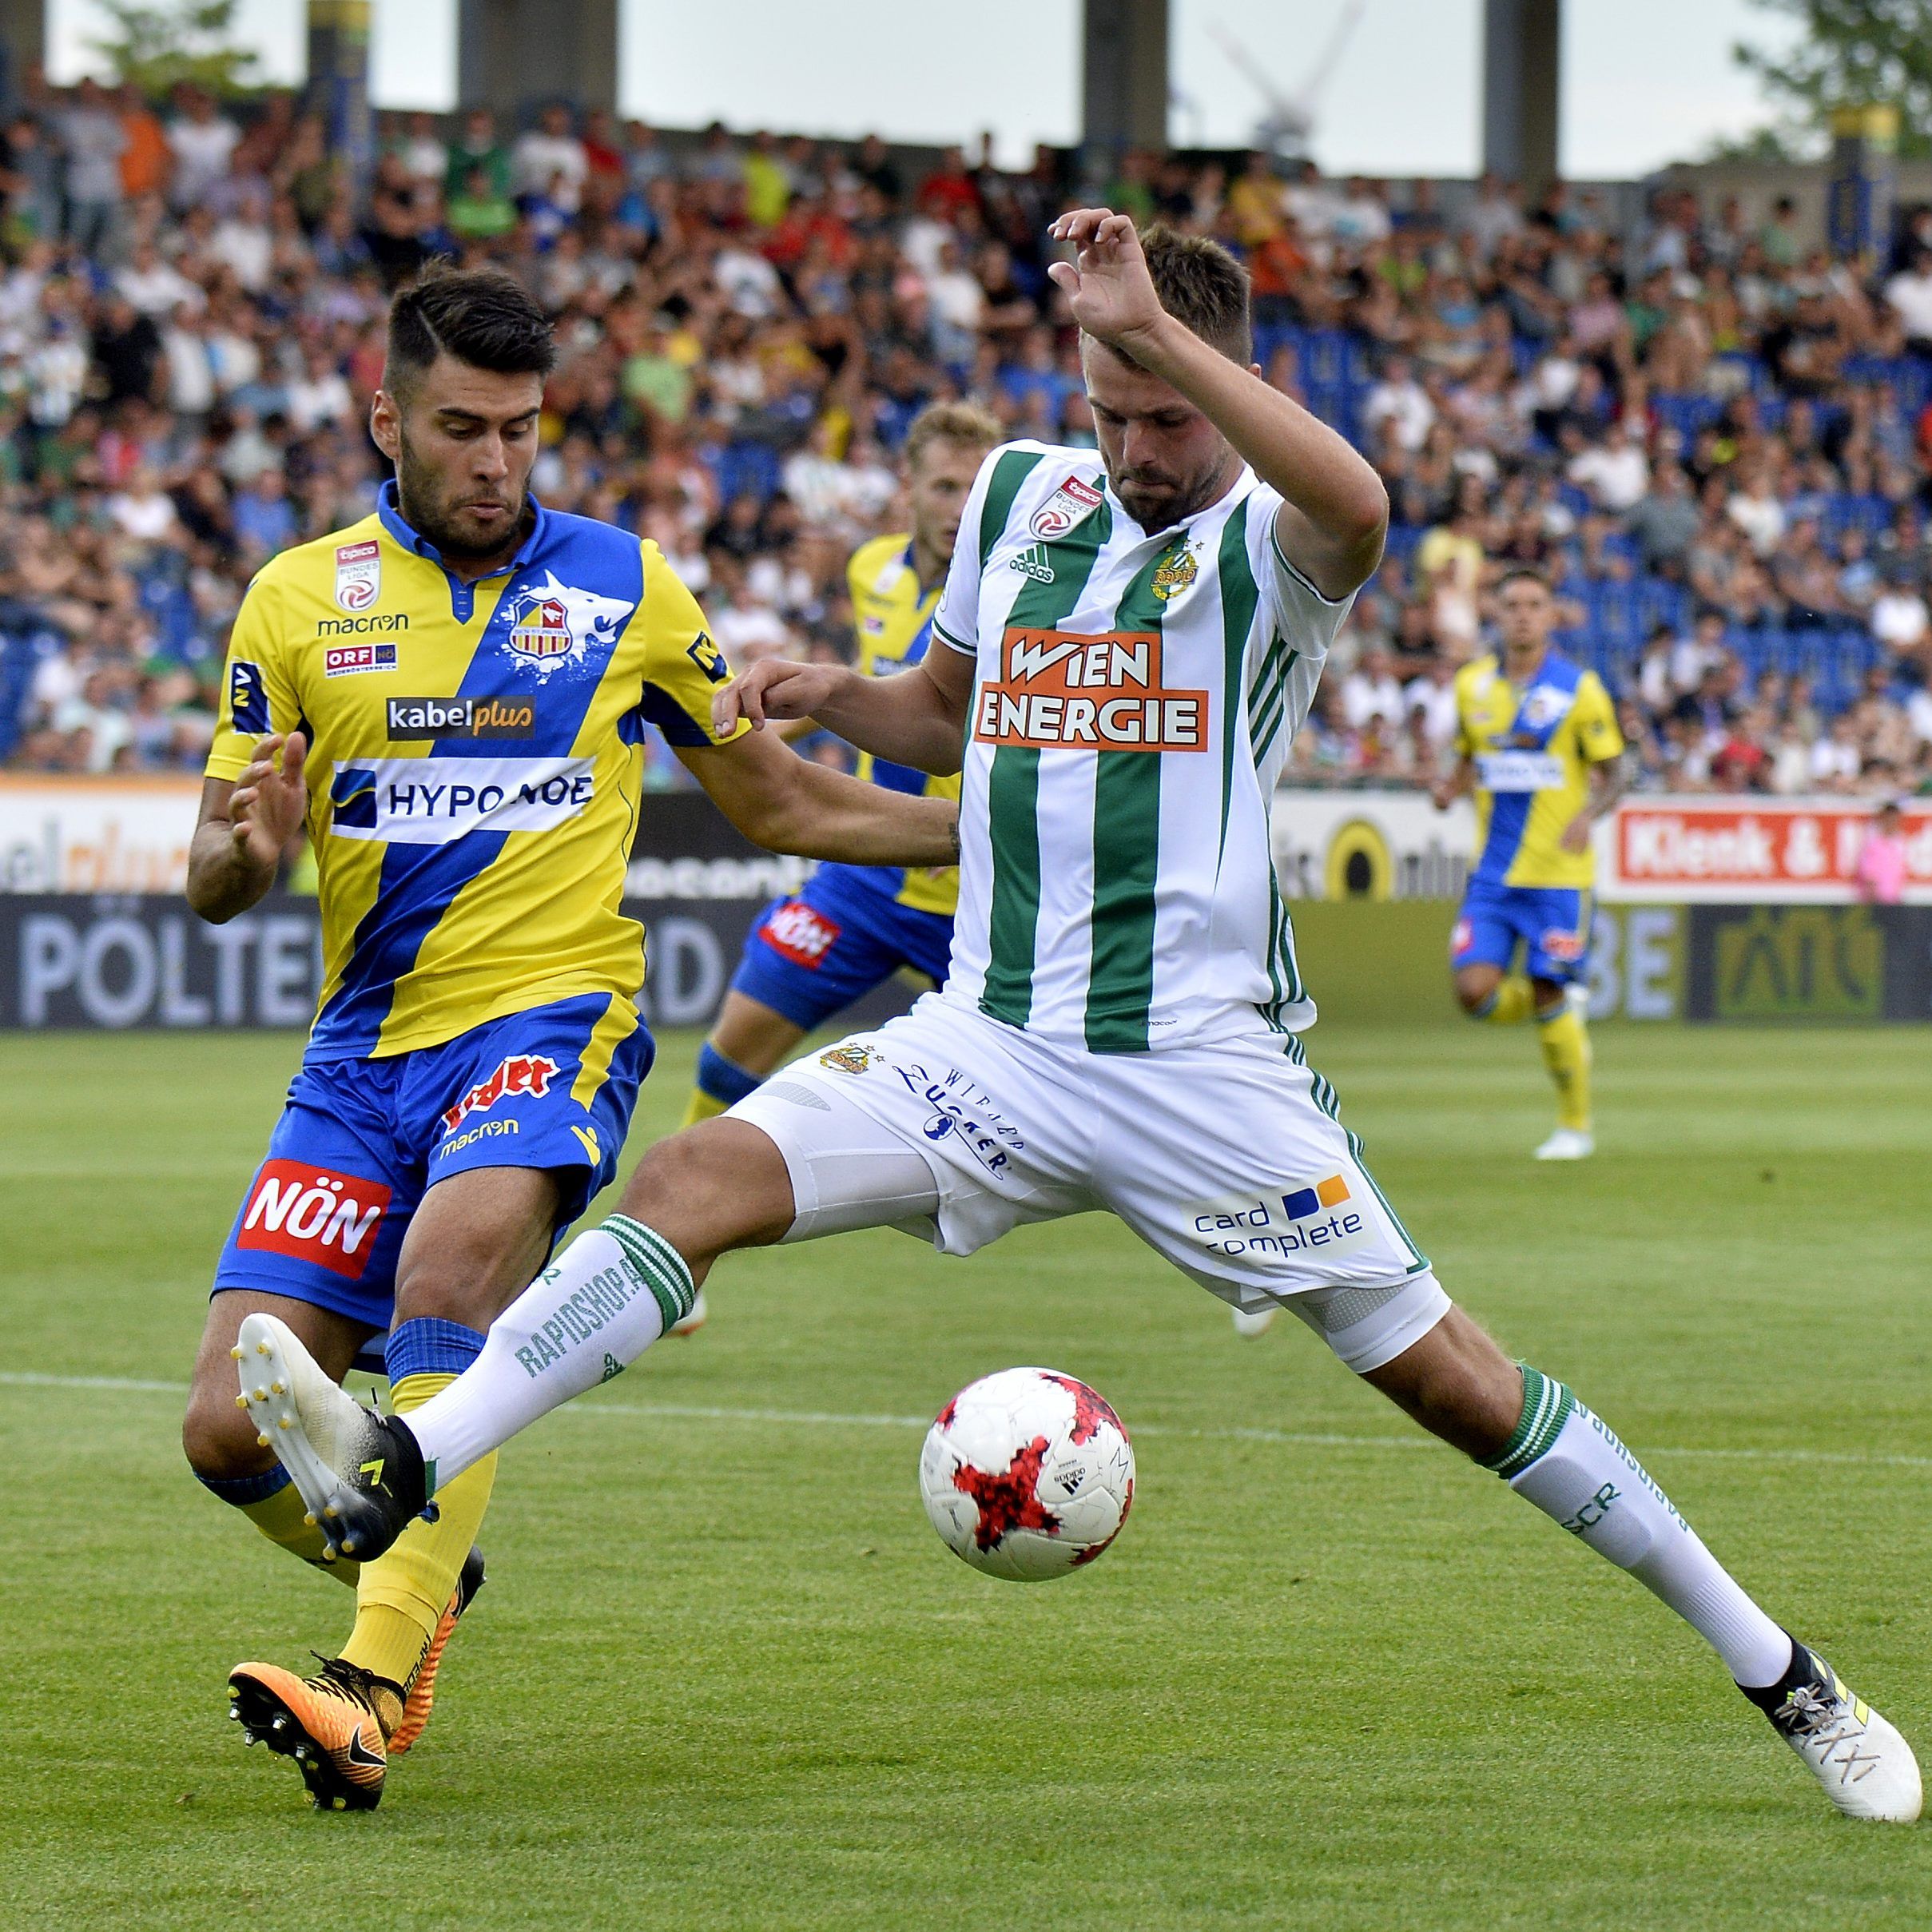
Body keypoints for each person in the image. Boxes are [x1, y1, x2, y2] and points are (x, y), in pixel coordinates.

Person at [233, 218, 1918, 1825]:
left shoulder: (1269, 548)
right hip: (991, 1042)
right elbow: (950, 712)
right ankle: (402, 1462)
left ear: (1218, 384)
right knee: (688, 1184)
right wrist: (835, 693)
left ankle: (1788, 1677)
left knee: (1467, 1391)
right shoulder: (1024, 498)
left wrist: (1158, 334)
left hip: (1204, 1076)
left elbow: (1363, 499)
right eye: (1112, 413)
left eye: (1170, 415)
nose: (1140, 450)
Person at [181, 263, 957, 1811]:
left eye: (521, 432)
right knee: (220, 1433)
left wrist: (1003, 833)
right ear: (384, 417)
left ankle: (371, 1680)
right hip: (361, 1058)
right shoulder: (290, 604)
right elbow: (216, 881)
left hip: (557, 1016)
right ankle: (421, 1550)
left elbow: (787, 801)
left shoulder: (625, 587)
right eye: (462, 429)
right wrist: (247, 849)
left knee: (451, 1275)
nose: (494, 463)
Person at [673, 401, 999, 1335]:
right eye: (943, 484)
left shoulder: (1020, 590)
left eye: (976, 488)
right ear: (907, 490)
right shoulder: (872, 572)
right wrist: (778, 722)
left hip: (973, 892)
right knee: (736, 1043)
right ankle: (690, 1252)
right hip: (864, 878)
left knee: (1085, 1093)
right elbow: (883, 685)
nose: (959, 504)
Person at [1432, 570, 1627, 1159]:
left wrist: (1588, 814)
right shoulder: (1471, 687)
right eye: (1511, 604)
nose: (1522, 614)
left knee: (1546, 987)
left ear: (1551, 616)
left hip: (1559, 879)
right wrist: (1449, 788)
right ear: (1495, 613)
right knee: (1473, 992)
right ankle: (1562, 1006)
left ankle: (1575, 1127)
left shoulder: (1579, 689)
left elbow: (1616, 774)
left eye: (1534, 605)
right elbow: (1470, 755)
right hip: (1492, 878)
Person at [1854, 798, 1910, 904]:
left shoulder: (1899, 840)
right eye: (1890, 818)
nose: (1893, 822)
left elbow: (1899, 867)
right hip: (1874, 895)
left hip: (1893, 895)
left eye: (1896, 819)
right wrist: (1871, 889)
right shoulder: (1873, 839)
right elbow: (1867, 866)